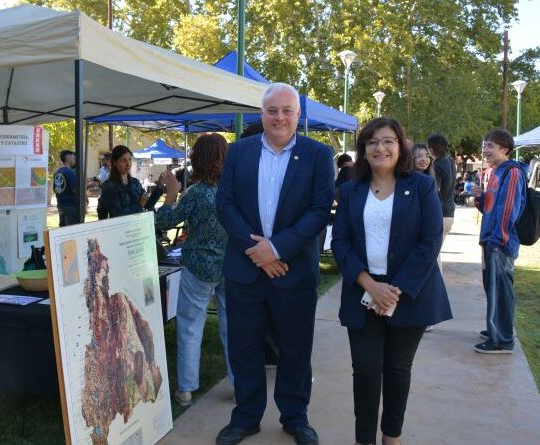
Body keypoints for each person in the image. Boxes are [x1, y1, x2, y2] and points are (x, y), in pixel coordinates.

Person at [215, 83, 333, 445]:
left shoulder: (318, 154)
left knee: (295, 349)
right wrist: (259, 253)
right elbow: (226, 204)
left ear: (299, 115)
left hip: (292, 271)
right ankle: (246, 417)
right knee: (245, 347)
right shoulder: (239, 152)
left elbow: (319, 210)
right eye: (271, 110)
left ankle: (295, 417)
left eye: (286, 110)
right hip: (245, 270)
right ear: (261, 114)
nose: (279, 117)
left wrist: (277, 249)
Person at [331, 117, 451, 445]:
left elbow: (430, 240)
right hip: (363, 289)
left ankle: (392, 436)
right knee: (366, 370)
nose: (380, 148)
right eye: (372, 142)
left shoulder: (422, 186)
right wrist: (369, 284)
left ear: (401, 146)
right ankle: (364, 439)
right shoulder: (350, 190)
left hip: (408, 292)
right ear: (363, 149)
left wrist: (393, 291)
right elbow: (340, 242)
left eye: (388, 141)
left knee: (398, 369)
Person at [154, 133, 232, 407]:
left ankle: (186, 389)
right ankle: (239, 384)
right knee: (232, 329)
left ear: (197, 159)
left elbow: (164, 222)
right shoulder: (233, 191)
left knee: (189, 327)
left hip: (198, 268)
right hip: (230, 266)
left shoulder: (195, 193)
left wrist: (171, 193)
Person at [472, 129, 526, 354]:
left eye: (490, 146)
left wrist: (498, 239)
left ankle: (502, 340)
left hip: (500, 242)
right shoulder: (494, 172)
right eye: (485, 145)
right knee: (492, 288)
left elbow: (508, 209)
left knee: (501, 291)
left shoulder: (511, 173)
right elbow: (489, 208)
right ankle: (497, 329)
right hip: (490, 239)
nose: (485, 150)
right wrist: (480, 198)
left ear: (505, 149)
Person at [99, 145, 148, 218]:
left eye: (129, 159)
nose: (128, 164)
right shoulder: (109, 186)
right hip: (120, 228)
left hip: (138, 226)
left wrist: (159, 187)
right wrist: (139, 206)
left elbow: (148, 204)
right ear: (115, 163)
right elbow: (117, 213)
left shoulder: (135, 183)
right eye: (124, 160)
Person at [428, 134, 456, 242]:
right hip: (449, 213)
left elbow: (435, 189)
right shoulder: (450, 161)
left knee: (432, 256)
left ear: (431, 149)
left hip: (439, 214)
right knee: (435, 253)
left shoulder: (438, 165)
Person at [53, 150, 79, 227]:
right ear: (69, 159)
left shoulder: (57, 172)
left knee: (63, 229)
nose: (74, 160)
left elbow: (56, 189)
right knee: (72, 231)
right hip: (70, 206)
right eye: (73, 158)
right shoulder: (70, 172)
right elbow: (76, 190)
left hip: (61, 206)